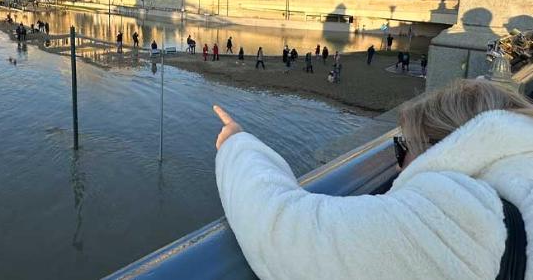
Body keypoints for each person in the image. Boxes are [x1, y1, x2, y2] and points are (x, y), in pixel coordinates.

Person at [213, 80, 533, 280]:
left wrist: (236, 143)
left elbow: (278, 230)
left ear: (441, 147)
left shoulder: (465, 218)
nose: (397, 166)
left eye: (403, 147)